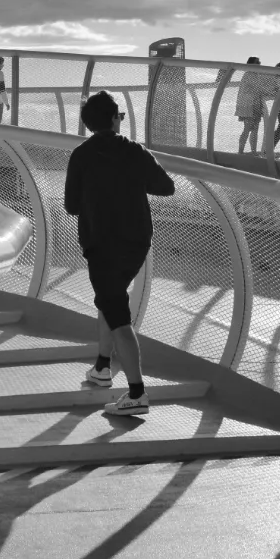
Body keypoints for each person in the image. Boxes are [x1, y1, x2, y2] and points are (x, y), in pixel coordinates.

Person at [64, 90, 176, 416]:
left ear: (89, 124)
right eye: (120, 116)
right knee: (109, 300)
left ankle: (137, 393)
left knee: (117, 314)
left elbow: (71, 206)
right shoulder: (134, 151)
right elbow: (166, 187)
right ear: (114, 119)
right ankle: (102, 367)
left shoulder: (81, 155)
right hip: (135, 243)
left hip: (101, 245)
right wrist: (133, 180)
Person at [235, 56, 270, 154]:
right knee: (247, 128)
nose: (259, 64)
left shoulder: (256, 75)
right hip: (249, 106)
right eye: (257, 62)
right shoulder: (249, 75)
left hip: (256, 105)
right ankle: (240, 152)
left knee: (255, 129)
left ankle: (253, 152)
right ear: (251, 64)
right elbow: (257, 89)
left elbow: (259, 89)